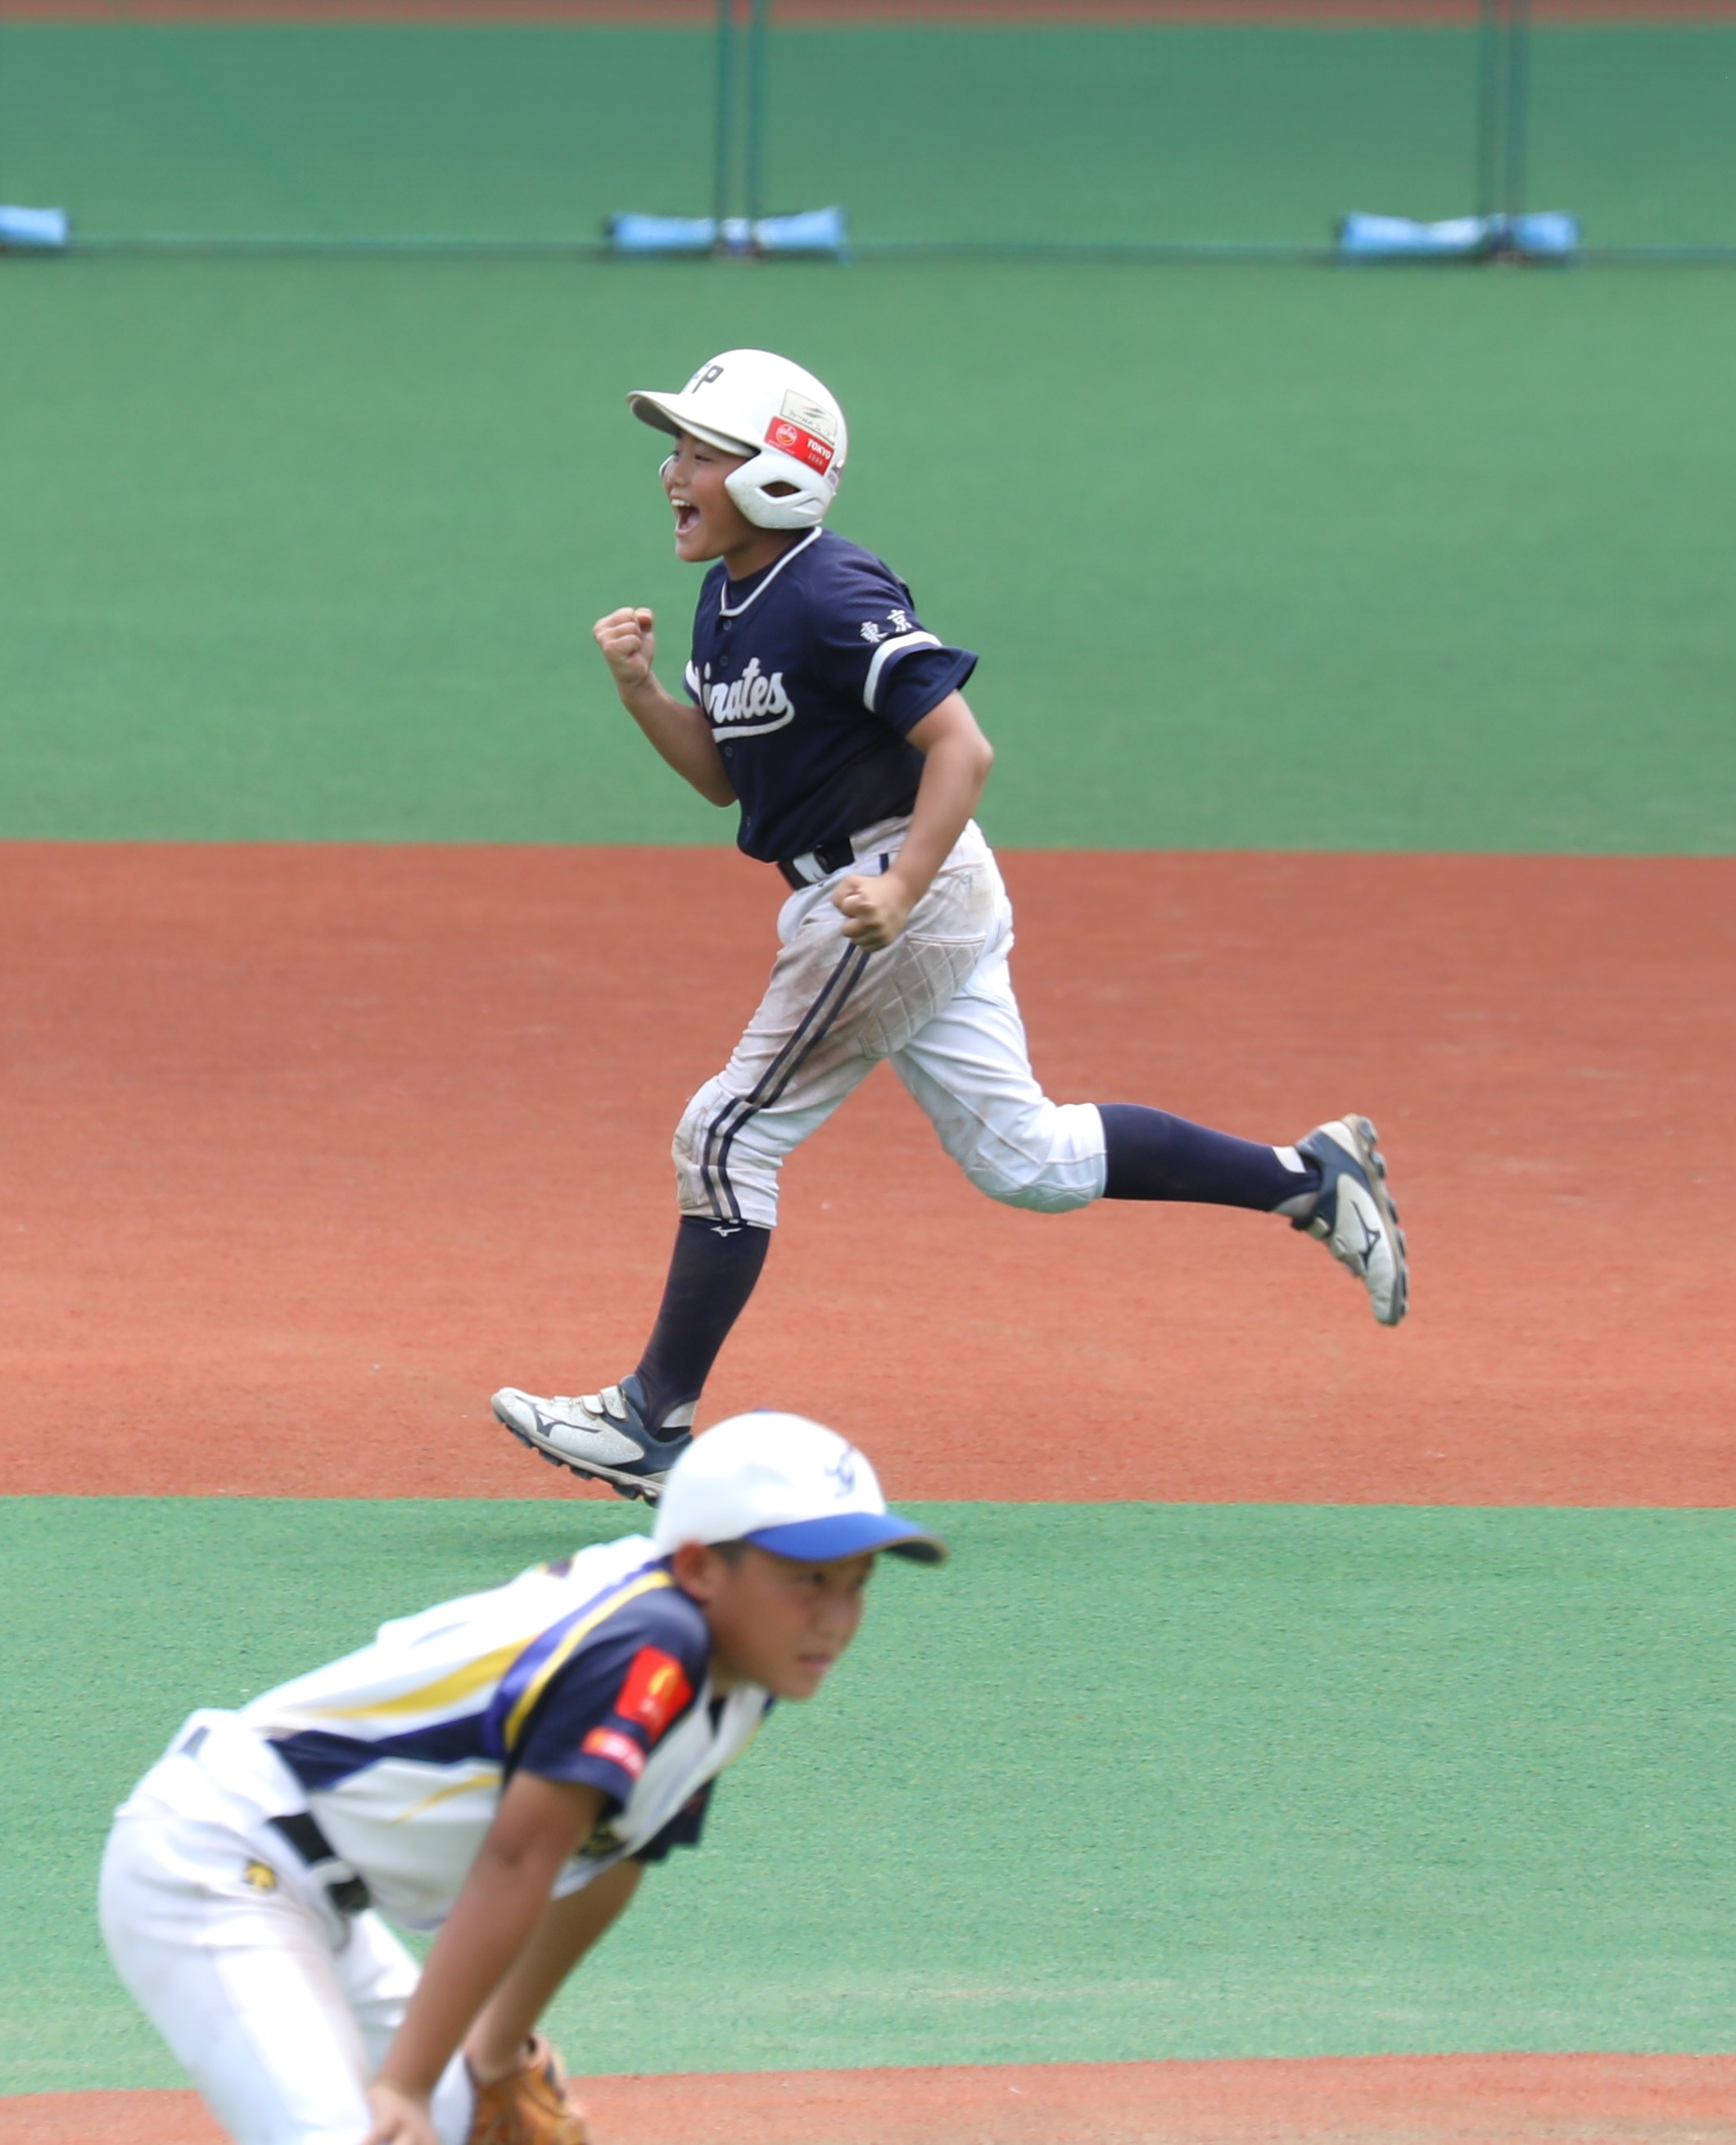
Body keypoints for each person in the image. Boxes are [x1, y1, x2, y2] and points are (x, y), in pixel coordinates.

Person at [495, 349, 1408, 1506]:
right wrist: (639, 693)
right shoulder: (726, 602)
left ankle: (650, 1419)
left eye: (699, 452)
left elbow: (961, 747)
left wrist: (900, 885)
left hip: (887, 893)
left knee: (727, 1133)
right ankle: (1308, 1177)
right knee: (1023, 1157)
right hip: (898, 887)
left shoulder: (833, 591)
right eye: (673, 450)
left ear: (777, 474)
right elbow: (729, 784)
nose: (671, 471)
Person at [98, 1413, 943, 2145]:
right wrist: (404, 2086)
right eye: (806, 1579)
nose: (835, 1616)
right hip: (216, 1858)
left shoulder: (739, 1675)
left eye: (855, 1582)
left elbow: (617, 1857)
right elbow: (519, 1861)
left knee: (466, 2117)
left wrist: (496, 2047)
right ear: (698, 1568)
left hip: (316, 1897)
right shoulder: (648, 1647)